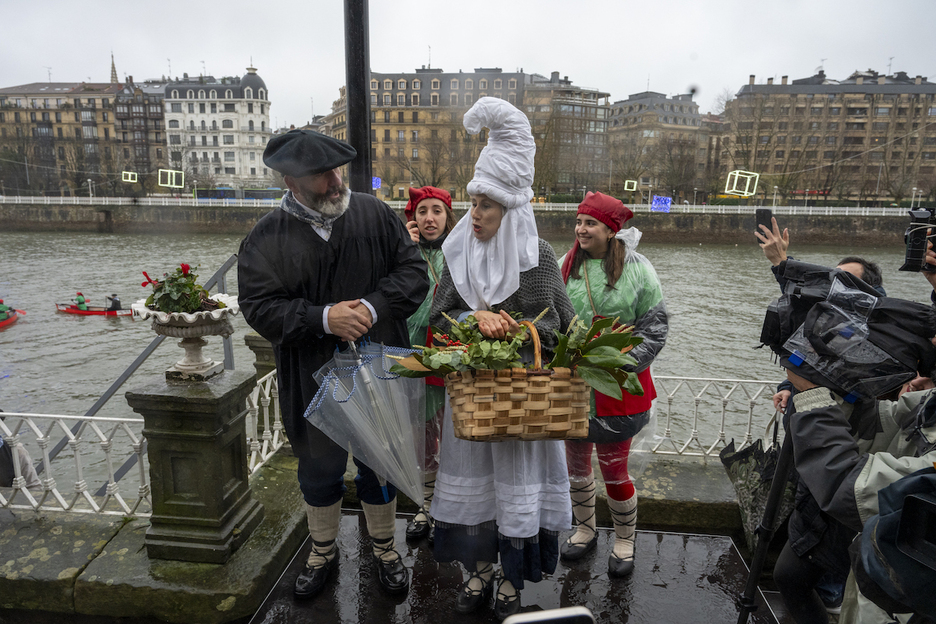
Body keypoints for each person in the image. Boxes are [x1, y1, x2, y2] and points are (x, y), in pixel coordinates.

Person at [237, 129, 429, 600]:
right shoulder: (266, 236)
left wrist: (371, 308)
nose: (336, 181)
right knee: (317, 467)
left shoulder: (374, 214)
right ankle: (322, 551)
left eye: (336, 169)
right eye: (322, 175)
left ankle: (384, 549)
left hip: (378, 362)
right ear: (291, 182)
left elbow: (413, 275)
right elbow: (259, 306)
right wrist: (324, 319)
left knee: (379, 462)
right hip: (310, 373)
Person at [429, 97, 577, 621]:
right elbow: (438, 319)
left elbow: (563, 329)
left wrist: (518, 329)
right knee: (476, 493)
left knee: (514, 493)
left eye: (486, 207)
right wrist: (473, 321)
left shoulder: (538, 258)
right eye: (472, 204)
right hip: (473, 404)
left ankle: (510, 581)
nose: (474, 216)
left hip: (522, 408)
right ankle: (477, 571)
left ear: (511, 211)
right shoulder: (458, 252)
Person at [773, 250, 936, 624]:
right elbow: (879, 422)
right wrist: (837, 382)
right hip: (880, 572)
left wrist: (811, 393)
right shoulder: (926, 401)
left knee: (797, 575)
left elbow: (848, 488)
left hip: (900, 594)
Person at [557, 192, 668, 577]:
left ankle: (624, 539)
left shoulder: (639, 270)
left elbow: (655, 329)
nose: (581, 229)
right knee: (575, 467)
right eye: (579, 222)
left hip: (617, 386)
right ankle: (585, 529)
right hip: (573, 385)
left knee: (615, 470)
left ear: (610, 230)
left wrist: (620, 364)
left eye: (590, 223)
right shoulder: (565, 266)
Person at [402, 185, 459, 544]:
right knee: (421, 437)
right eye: (422, 211)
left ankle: (449, 507)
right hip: (413, 354)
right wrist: (403, 249)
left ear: (447, 216)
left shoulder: (462, 251)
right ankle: (425, 506)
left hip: (451, 354)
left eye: (436, 211)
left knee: (452, 435)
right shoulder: (402, 252)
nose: (429, 218)